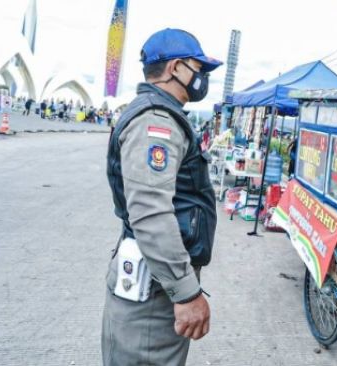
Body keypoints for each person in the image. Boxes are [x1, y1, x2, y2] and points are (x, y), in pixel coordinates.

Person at [102, 28, 223, 365]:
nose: (201, 78)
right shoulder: (156, 121)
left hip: (156, 280)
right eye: (198, 69)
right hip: (155, 288)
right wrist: (187, 293)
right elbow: (151, 212)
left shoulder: (160, 115)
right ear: (175, 68)